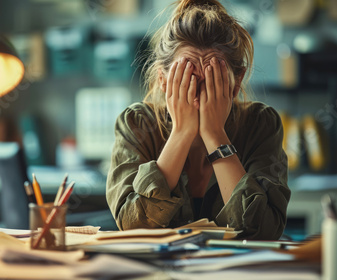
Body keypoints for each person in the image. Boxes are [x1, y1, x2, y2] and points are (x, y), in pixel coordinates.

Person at [106, 0, 291, 240]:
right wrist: (181, 132)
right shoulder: (136, 124)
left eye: (213, 83)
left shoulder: (261, 123)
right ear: (163, 81)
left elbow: (264, 231)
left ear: (236, 83)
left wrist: (215, 135)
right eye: (188, 80)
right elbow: (134, 226)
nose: (199, 98)